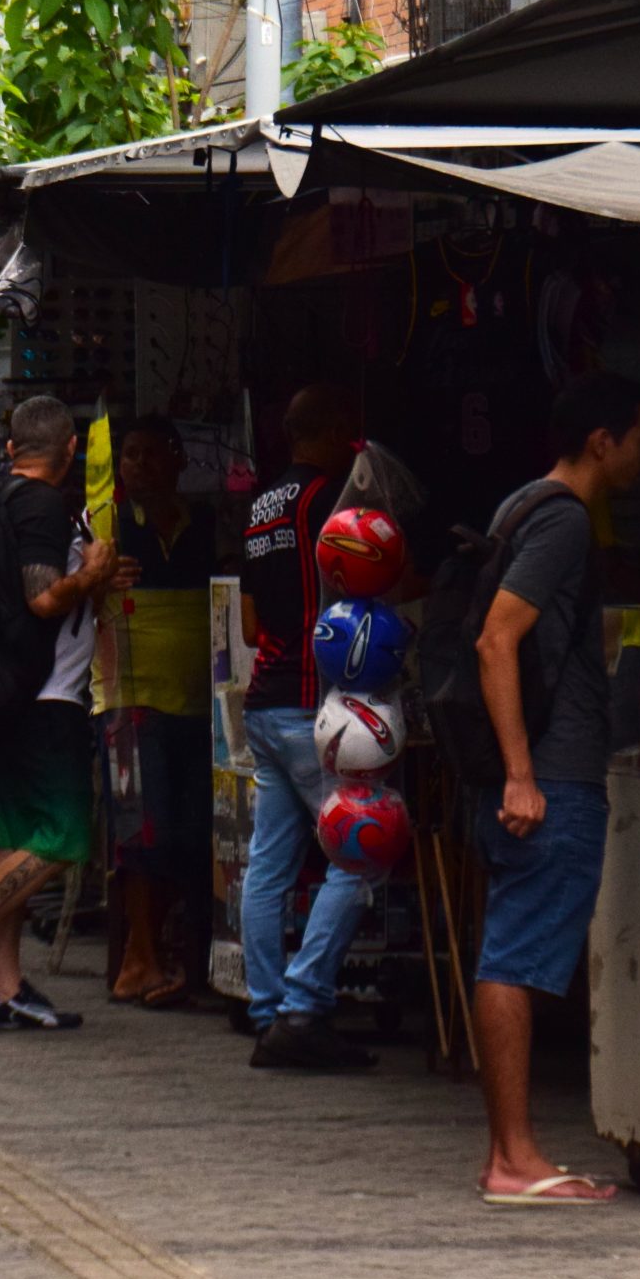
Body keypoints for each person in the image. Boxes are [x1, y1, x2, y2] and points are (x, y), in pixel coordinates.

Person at [471, 373, 640, 1205]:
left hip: (536, 766)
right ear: (600, 441)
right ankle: (513, 1157)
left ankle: (514, 1151)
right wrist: (522, 771)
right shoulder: (564, 521)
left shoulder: (521, 505)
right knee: (513, 953)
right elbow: (496, 638)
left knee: (511, 948)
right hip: (549, 771)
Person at [0, 395, 129, 1032]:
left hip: (10, 697)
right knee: (64, 840)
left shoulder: (3, 501)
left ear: (12, 449)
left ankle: (5, 990)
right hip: (47, 700)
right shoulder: (41, 505)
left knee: (13, 842)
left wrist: (94, 578)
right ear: (70, 452)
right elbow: (42, 600)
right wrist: (91, 572)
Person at [239, 384, 374, 1071]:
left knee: (269, 864)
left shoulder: (259, 504)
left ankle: (265, 1008)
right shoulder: (328, 498)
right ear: (327, 432)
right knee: (361, 849)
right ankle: (303, 1003)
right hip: (309, 701)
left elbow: (249, 622)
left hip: (265, 695)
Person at [97, 414, 217, 1008]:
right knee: (141, 832)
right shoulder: (106, 528)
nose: (138, 465)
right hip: (128, 702)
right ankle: (137, 959)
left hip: (199, 705)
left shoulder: (206, 526)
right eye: (130, 455)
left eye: (151, 454)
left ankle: (171, 955)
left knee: (191, 832)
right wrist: (94, 579)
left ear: (178, 460)